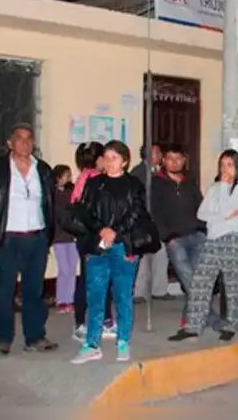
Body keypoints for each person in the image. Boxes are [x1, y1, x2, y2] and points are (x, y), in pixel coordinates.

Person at [0, 123, 58, 356]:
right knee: (4, 289)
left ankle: (35, 337)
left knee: (34, 289)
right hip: (8, 238)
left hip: (37, 237)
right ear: (10, 143)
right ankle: (2, 338)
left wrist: (47, 234)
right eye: (20, 139)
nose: (25, 143)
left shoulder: (43, 170)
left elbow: (50, 203)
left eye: (29, 139)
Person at [71, 140, 148, 364]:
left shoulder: (134, 184)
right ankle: (92, 344)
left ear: (124, 161)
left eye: (114, 157)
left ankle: (123, 341)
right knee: (95, 295)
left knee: (123, 295)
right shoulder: (95, 184)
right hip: (98, 244)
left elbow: (137, 212)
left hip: (123, 244)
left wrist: (115, 231)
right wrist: (101, 230)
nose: (109, 162)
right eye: (106, 157)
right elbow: (85, 212)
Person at [148, 144, 221, 341]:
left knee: (199, 279)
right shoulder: (157, 183)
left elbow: (201, 206)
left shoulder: (190, 181)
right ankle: (211, 317)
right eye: (170, 158)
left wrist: (205, 230)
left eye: (178, 158)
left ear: (184, 160)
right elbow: (155, 212)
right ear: (164, 160)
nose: (174, 162)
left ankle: (188, 319)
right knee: (189, 279)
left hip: (197, 236)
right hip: (175, 240)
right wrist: (167, 237)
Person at [182, 149, 238, 342]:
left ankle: (231, 324)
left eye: (229, 165)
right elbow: (202, 214)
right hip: (212, 239)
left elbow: (230, 209)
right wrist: (221, 211)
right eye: (222, 165)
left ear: (237, 167)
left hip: (232, 238)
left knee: (232, 284)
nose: (225, 169)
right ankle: (194, 325)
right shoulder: (214, 188)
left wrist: (221, 206)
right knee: (200, 282)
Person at [70, 142, 116, 343]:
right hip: (95, 236)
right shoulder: (96, 180)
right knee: (93, 279)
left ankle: (98, 320)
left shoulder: (82, 177)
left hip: (85, 236)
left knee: (93, 278)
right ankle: (83, 324)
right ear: (98, 160)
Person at [132, 142, 171, 304]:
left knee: (161, 255)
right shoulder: (138, 172)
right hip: (143, 221)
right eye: (156, 153)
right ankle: (139, 292)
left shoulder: (160, 173)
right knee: (143, 258)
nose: (160, 156)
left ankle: (159, 290)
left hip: (158, 221)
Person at [51, 164, 77, 314]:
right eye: (67, 175)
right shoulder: (53, 194)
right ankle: (61, 300)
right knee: (64, 269)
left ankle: (70, 299)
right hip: (59, 236)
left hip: (71, 235)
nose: (69, 178)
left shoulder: (71, 191)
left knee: (72, 268)